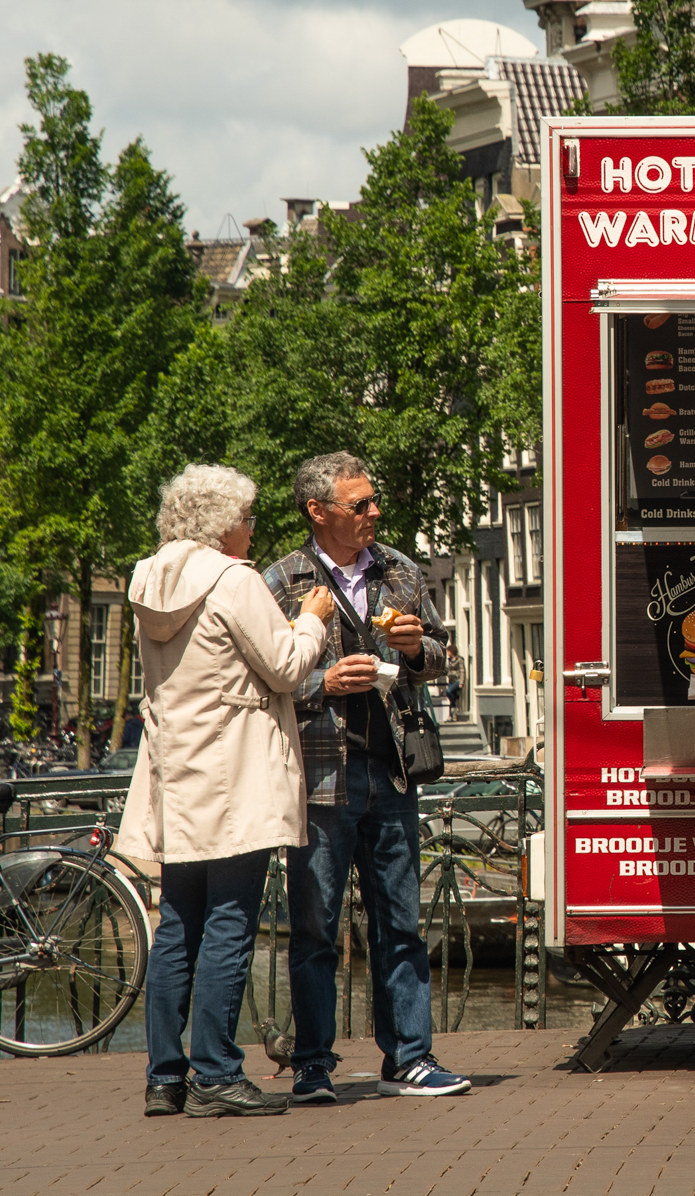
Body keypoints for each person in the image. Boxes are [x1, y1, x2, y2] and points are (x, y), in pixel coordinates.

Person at [118, 463, 336, 1119]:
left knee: (178, 920)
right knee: (232, 918)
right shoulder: (234, 580)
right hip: (236, 773)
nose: (252, 527)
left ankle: (165, 1076)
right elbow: (289, 668)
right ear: (219, 524)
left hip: (177, 775)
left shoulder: (149, 579)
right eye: (246, 516)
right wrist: (313, 618)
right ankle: (216, 1069)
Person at [262, 451, 469, 1102]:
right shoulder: (280, 582)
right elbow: (261, 682)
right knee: (317, 927)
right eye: (361, 505)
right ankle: (313, 1065)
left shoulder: (401, 569)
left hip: (394, 772)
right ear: (318, 511)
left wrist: (415, 650)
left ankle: (410, 1054)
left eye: (375, 500)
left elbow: (445, 655)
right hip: (320, 781)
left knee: (401, 920)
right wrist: (321, 681)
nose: (376, 512)